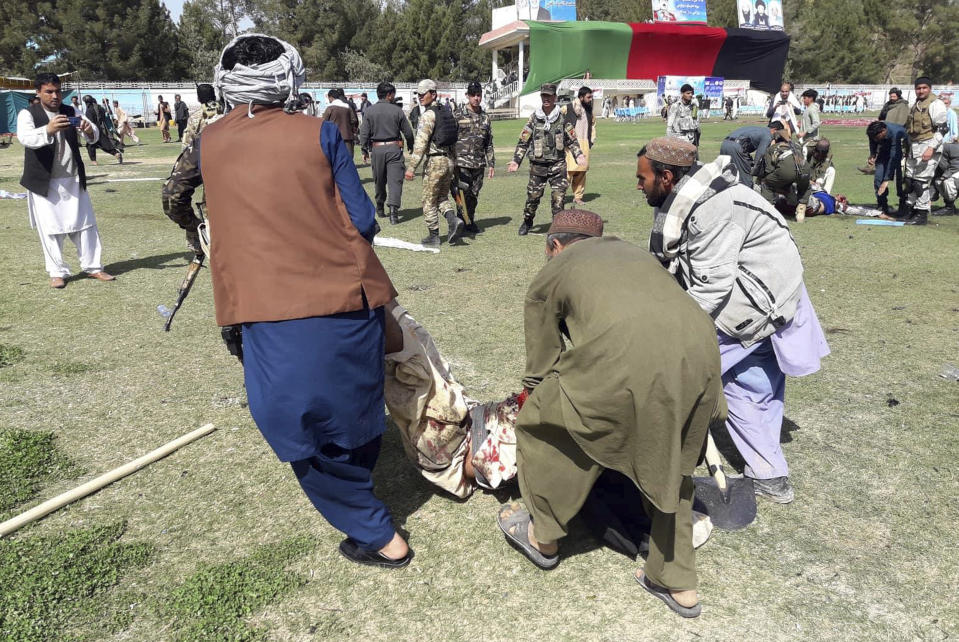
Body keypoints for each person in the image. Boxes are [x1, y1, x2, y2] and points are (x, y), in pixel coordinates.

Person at [162, 34, 412, 569]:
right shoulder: (319, 133)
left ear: (227, 81)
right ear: (288, 79)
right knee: (354, 402)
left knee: (293, 421)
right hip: (349, 295)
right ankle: (360, 484)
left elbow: (173, 197)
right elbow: (364, 220)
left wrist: (205, 230)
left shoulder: (207, 141)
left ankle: (378, 534)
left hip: (265, 305)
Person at [496, 209, 725, 619]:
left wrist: (535, 401)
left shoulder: (555, 271)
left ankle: (543, 536)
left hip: (630, 360)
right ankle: (678, 584)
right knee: (671, 462)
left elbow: (541, 368)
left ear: (554, 246)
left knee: (542, 428)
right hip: (703, 355)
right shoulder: (635, 255)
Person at [637, 137, 829, 506]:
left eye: (642, 178)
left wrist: (669, 333)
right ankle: (770, 477)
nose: (637, 184)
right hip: (767, 292)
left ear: (666, 177)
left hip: (757, 300)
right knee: (750, 385)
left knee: (669, 375)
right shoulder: (691, 196)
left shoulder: (711, 209)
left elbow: (710, 290)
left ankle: (652, 465)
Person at [17, 73, 115, 288]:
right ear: (38, 93)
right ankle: (57, 272)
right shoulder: (28, 113)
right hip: (44, 181)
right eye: (49, 92)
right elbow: (25, 138)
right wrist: (48, 130)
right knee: (51, 229)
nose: (54, 96)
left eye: (58, 91)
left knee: (86, 225)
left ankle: (93, 267)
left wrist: (90, 131)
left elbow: (93, 134)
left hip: (72, 177)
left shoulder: (71, 110)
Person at [506, 83, 586, 236]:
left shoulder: (562, 119)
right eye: (544, 96)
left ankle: (558, 227)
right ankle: (527, 221)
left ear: (555, 97)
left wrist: (579, 155)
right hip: (538, 166)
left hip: (558, 165)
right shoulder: (534, 118)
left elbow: (572, 140)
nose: (546, 99)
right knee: (533, 197)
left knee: (559, 198)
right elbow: (523, 141)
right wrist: (516, 160)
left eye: (549, 96)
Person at [404, 79, 461, 247]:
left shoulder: (428, 115)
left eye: (423, 94)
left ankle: (434, 236)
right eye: (418, 94)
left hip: (435, 162)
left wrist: (411, 168)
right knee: (442, 196)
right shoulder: (447, 112)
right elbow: (453, 140)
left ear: (433, 94)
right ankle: (453, 220)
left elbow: (420, 144)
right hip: (449, 160)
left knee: (428, 200)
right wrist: (454, 164)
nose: (420, 97)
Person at [358, 82, 415, 226]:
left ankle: (380, 207)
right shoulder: (397, 111)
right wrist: (411, 146)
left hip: (377, 150)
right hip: (394, 149)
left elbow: (364, 133)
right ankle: (394, 214)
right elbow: (408, 132)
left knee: (379, 180)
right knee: (395, 181)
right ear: (389, 95)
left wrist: (364, 150)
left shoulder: (370, 111)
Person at [902, 77, 948, 225]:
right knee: (909, 180)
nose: (921, 91)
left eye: (924, 88)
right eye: (918, 88)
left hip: (928, 144)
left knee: (921, 181)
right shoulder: (915, 104)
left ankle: (921, 214)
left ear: (929, 88)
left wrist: (931, 148)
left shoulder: (936, 104)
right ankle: (912, 209)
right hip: (914, 146)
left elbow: (942, 129)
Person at [453, 81, 495, 234]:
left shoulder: (485, 117)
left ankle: (469, 220)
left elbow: (488, 142)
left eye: (478, 95)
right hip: (461, 162)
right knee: (461, 194)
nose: (476, 98)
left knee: (474, 194)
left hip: (478, 163)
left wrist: (491, 163)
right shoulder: (457, 114)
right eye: (473, 95)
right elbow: (450, 138)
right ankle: (460, 220)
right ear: (467, 96)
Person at [755, 124, 811, 221]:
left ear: (776, 139)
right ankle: (801, 210)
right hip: (805, 169)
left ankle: (769, 211)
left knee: (766, 183)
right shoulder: (797, 146)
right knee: (805, 186)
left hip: (786, 171)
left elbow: (769, 170)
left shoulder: (773, 148)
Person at [866, 120, 909, 217]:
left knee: (901, 181)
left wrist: (886, 180)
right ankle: (882, 205)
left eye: (877, 138)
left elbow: (893, 159)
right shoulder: (873, 132)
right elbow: (872, 141)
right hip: (884, 152)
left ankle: (903, 205)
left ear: (883, 131)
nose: (876, 140)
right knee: (878, 178)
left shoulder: (896, 133)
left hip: (900, 152)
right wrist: (873, 154)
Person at [718, 122, 783, 186]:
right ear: (774, 130)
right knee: (745, 176)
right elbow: (760, 154)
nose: (779, 136)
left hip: (725, 144)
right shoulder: (768, 135)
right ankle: (746, 193)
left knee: (727, 173)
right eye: (780, 133)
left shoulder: (757, 128)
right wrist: (754, 168)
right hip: (736, 147)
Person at [566, 86, 596, 207]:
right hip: (571, 145)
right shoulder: (569, 107)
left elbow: (593, 126)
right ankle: (560, 195)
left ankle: (578, 197)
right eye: (588, 97)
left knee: (581, 173)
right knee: (569, 171)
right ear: (581, 97)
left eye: (591, 97)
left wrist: (591, 141)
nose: (590, 99)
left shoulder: (589, 111)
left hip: (584, 144)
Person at [82, 95, 122, 165]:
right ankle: (116, 153)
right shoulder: (99, 107)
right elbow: (104, 117)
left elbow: (90, 121)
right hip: (100, 128)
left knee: (90, 145)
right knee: (104, 144)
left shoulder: (89, 110)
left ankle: (94, 161)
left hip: (92, 129)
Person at [182, 83, 224, 149]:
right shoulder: (226, 113)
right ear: (215, 97)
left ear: (198, 99)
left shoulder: (194, 118)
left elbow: (187, 145)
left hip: (204, 155)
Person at [322, 89, 359, 156]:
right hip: (347, 137)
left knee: (335, 159)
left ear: (331, 97)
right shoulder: (347, 107)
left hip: (334, 137)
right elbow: (354, 120)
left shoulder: (330, 108)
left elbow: (323, 122)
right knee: (348, 159)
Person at [933, 142, 959, 215]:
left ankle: (949, 208)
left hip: (955, 172)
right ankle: (949, 206)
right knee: (938, 181)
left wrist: (944, 176)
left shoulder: (952, 147)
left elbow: (956, 166)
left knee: (948, 182)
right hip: (953, 173)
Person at [797, 89, 821, 156]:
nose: (803, 100)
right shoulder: (808, 108)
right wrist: (801, 126)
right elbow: (809, 124)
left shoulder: (812, 109)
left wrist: (804, 132)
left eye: (804, 98)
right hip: (806, 141)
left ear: (810, 98)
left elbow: (816, 123)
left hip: (811, 142)